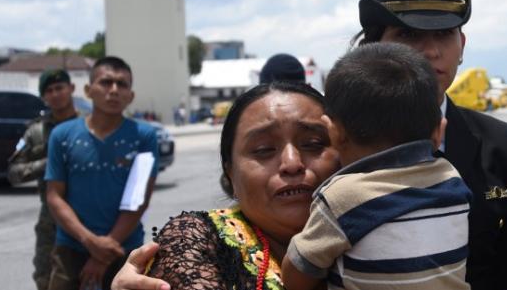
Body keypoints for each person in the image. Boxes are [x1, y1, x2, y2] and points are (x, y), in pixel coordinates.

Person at [353, 0, 507, 290]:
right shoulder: (337, 141)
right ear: (373, 46)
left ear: (462, 45)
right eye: (408, 34)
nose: (431, 51)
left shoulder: (504, 145)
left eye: (444, 34)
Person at [112, 81, 340, 290]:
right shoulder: (196, 240)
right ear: (229, 172)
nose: (292, 163)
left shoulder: (371, 226)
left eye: (313, 143)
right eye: (263, 149)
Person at [282, 42, 471, 290]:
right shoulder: (452, 179)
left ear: (334, 133)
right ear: (439, 131)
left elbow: (296, 278)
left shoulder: (342, 197)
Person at [45, 56, 160, 290]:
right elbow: (54, 196)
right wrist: (89, 241)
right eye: (106, 82)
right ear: (89, 90)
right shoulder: (62, 135)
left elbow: (138, 200)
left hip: (123, 250)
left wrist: (102, 253)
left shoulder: (144, 136)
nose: (114, 90)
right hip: (71, 248)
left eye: (122, 84)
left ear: (131, 95)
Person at [8, 69, 79, 290]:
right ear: (44, 97)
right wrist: (49, 163)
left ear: (71, 89)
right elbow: (13, 172)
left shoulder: (90, 126)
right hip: (51, 220)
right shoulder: (35, 132)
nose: (56, 94)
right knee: (46, 278)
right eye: (49, 90)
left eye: (60, 88)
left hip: (89, 213)